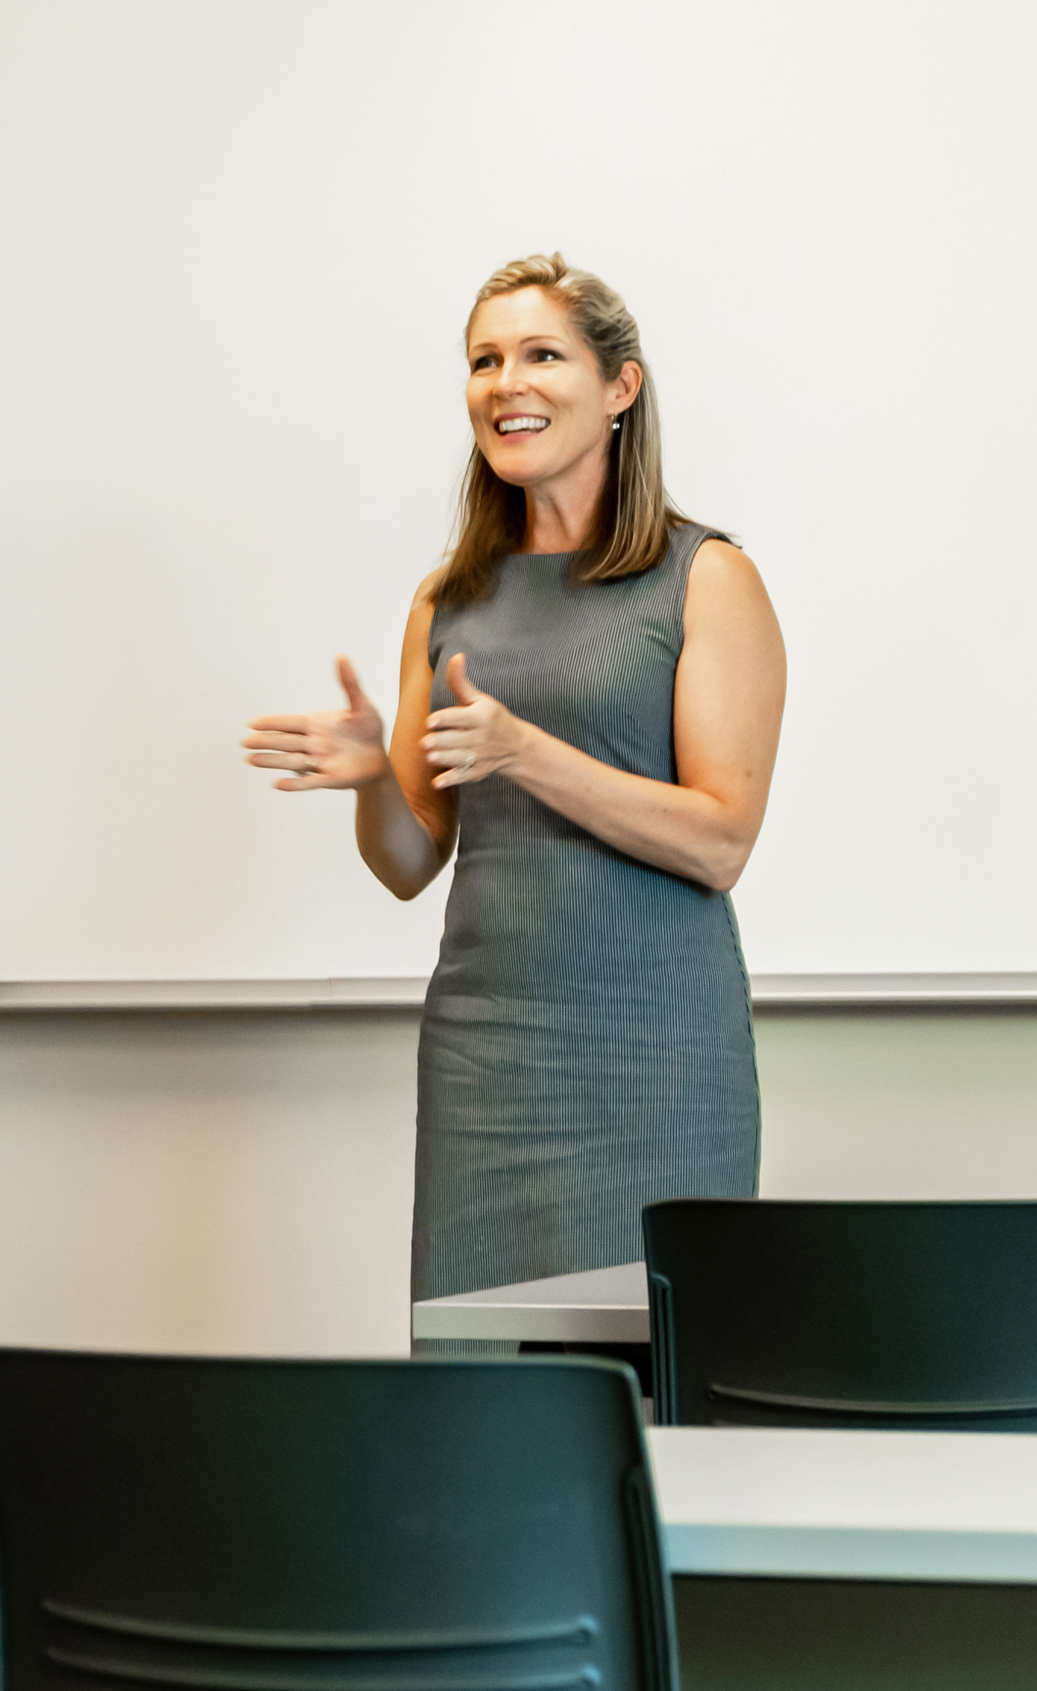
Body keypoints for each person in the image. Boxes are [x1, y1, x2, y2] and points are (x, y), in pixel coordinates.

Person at [242, 253, 788, 1321]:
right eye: (483, 361)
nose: (506, 384)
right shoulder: (448, 600)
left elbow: (719, 842)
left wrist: (525, 751)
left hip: (654, 1053)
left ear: (618, 388)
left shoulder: (703, 577)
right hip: (484, 1056)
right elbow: (409, 864)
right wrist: (369, 778)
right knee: (479, 1380)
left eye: (541, 355)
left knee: (652, 1373)